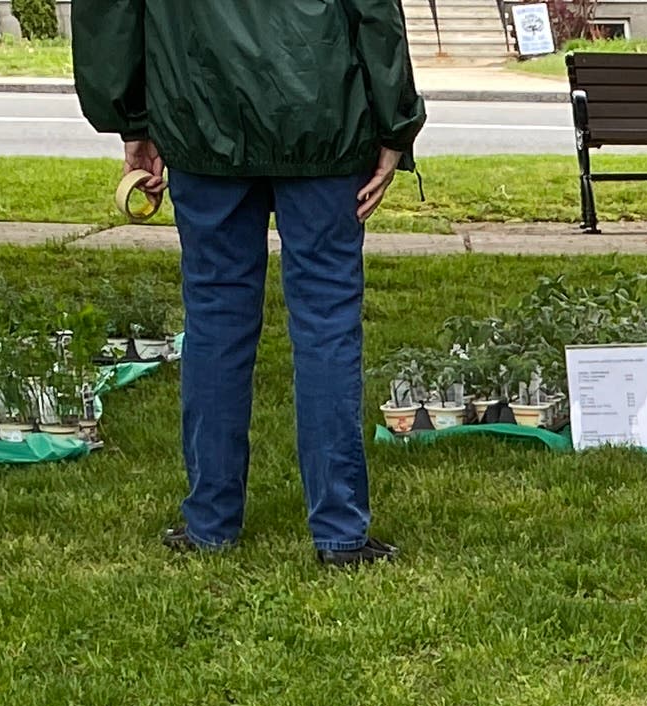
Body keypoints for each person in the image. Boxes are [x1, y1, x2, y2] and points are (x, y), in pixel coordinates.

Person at [71, 0, 424, 565]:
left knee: (214, 321)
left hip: (199, 111)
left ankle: (210, 522)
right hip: (322, 112)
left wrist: (132, 120)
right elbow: (374, 11)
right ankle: (339, 532)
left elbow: (110, 13)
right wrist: (396, 122)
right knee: (327, 323)